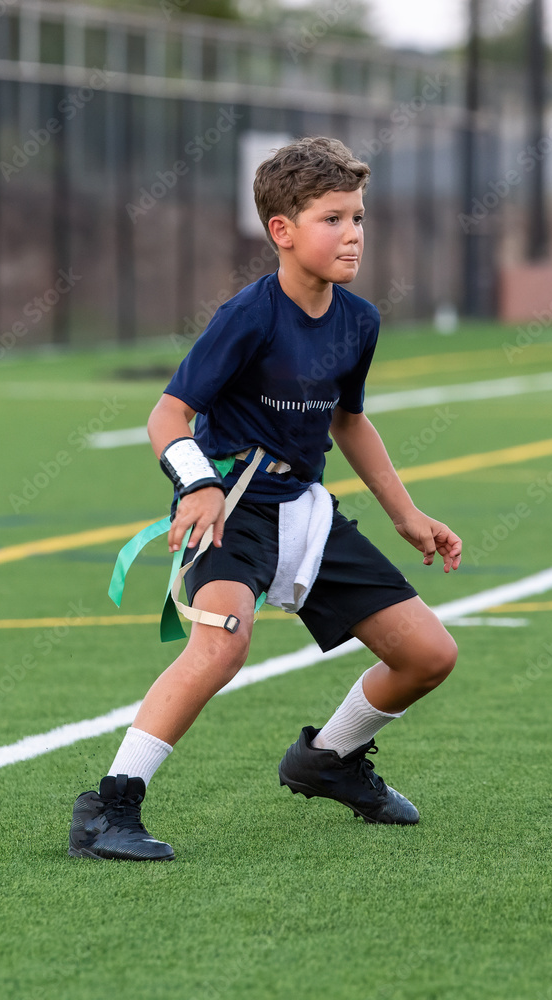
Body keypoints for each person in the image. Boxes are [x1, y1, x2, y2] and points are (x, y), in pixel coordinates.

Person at [68, 136, 461, 862]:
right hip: (233, 504)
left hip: (304, 510)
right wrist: (198, 484)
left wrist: (407, 516)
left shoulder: (359, 321)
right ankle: (108, 806)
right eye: (332, 219)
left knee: (429, 655)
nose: (352, 235)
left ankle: (329, 759)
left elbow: (348, 421)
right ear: (281, 231)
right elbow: (167, 417)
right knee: (222, 644)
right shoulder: (248, 316)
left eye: (358, 218)